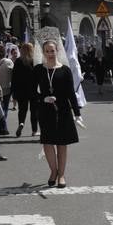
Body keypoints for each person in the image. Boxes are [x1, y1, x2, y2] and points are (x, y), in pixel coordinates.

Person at [31, 33, 82, 188]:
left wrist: (77, 113)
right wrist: (43, 98)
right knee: (48, 143)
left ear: (57, 51)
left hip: (63, 111)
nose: (50, 53)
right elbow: (32, 92)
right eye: (47, 51)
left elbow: (71, 93)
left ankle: (61, 175)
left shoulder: (65, 70)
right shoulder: (38, 70)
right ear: (43, 52)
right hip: (46, 111)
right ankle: (53, 171)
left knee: (62, 143)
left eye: (52, 51)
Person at [11, 42, 38, 137]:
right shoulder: (35, 61)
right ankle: (34, 130)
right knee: (34, 110)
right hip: (33, 90)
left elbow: (14, 77)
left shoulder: (18, 61)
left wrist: (13, 91)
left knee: (22, 109)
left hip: (21, 90)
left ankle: (21, 123)